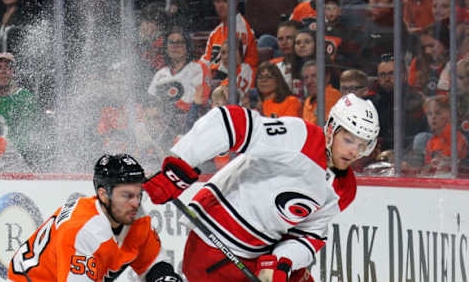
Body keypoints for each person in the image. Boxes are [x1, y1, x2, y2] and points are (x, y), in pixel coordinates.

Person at [142, 93, 380, 282]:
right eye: (349, 140)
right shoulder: (300, 137)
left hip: (261, 258)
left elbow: (309, 234)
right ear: (330, 129)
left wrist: (281, 262)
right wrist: (179, 167)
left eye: (362, 145)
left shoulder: (344, 188)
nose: (353, 152)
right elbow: (229, 122)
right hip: (213, 244)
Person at [8, 153, 182, 282]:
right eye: (127, 196)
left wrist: (165, 278)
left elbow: (154, 265)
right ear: (104, 194)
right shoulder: (83, 232)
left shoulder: (136, 221)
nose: (136, 203)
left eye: (138, 194)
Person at [0, 52, 42, 166]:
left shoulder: (25, 97)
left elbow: (30, 133)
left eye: (8, 68)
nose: (4, 72)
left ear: (14, 72)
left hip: (21, 160)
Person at [200, 0, 259, 71]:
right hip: (218, 78)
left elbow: (232, 64)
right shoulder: (215, 33)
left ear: (235, 2)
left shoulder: (241, 29)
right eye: (217, 1)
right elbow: (205, 62)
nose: (221, 5)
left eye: (225, 1)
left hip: (242, 77)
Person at [301, 60, 342, 125]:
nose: (309, 81)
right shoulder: (308, 101)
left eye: (314, 76)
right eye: (306, 78)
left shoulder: (332, 95)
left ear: (327, 77)